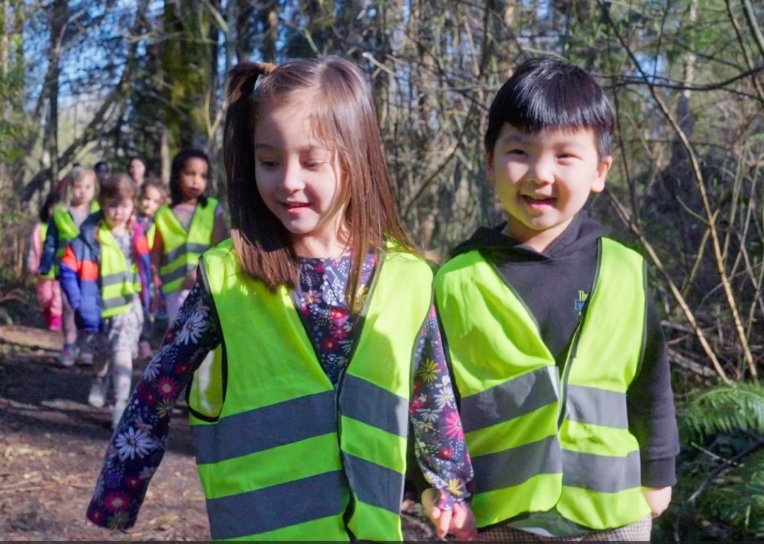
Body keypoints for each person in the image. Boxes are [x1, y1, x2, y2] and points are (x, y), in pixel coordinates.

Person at [85, 57, 474, 541]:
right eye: (269, 161)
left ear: (358, 159)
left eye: (312, 162)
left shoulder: (408, 279)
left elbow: (431, 396)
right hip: (259, 530)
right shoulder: (228, 277)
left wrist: (449, 488)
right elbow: (157, 389)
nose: (287, 180)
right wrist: (118, 494)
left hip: (368, 531)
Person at [429, 57, 679, 541]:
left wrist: (658, 474)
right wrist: (439, 488)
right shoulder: (456, 279)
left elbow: (651, 382)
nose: (540, 174)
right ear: (489, 162)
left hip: (614, 511)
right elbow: (434, 402)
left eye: (565, 156)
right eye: (519, 151)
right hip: (501, 515)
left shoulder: (624, 269)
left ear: (600, 171)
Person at [60, 174, 152, 429]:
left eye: (124, 205)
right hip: (99, 309)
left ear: (132, 204)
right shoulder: (89, 237)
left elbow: (145, 268)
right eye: (112, 205)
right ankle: (99, 379)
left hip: (127, 309)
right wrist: (77, 300)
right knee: (102, 356)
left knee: (123, 356)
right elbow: (67, 268)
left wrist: (148, 297)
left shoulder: (138, 233)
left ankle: (121, 405)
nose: (118, 212)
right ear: (102, 203)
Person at [150, 148, 225, 323]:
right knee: (178, 342)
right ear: (176, 176)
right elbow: (156, 252)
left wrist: (199, 272)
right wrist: (154, 282)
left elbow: (219, 249)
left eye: (203, 176)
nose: (196, 181)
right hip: (174, 291)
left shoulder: (213, 208)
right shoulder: (162, 214)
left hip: (207, 287)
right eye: (190, 173)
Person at [40, 165, 99, 366]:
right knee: (69, 307)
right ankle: (69, 344)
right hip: (65, 271)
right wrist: (45, 266)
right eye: (77, 186)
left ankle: (87, 346)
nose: (82, 191)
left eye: (87, 187)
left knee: (89, 308)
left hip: (91, 271)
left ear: (94, 189)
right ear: (69, 188)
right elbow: (50, 242)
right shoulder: (59, 214)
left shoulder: (98, 214)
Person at [135, 178, 168, 358]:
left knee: (156, 307)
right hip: (137, 272)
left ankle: (152, 341)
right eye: (146, 199)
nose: (149, 204)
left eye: (155, 201)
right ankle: (140, 341)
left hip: (155, 271)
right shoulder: (133, 222)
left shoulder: (162, 222)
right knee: (140, 306)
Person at [27, 193, 63, 331]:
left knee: (58, 296)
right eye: (53, 208)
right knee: (45, 296)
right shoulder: (40, 228)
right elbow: (34, 249)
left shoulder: (65, 229)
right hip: (44, 270)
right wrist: (33, 265)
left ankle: (56, 320)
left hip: (60, 271)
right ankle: (48, 314)